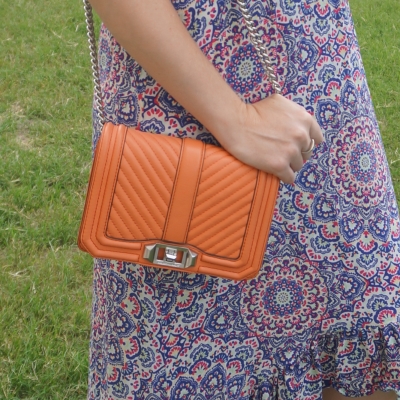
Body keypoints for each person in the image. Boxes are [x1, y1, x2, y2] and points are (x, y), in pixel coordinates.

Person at [86, 0, 400, 399]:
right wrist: (235, 118)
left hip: (320, 73)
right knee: (188, 351)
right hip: (186, 84)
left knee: (361, 324)